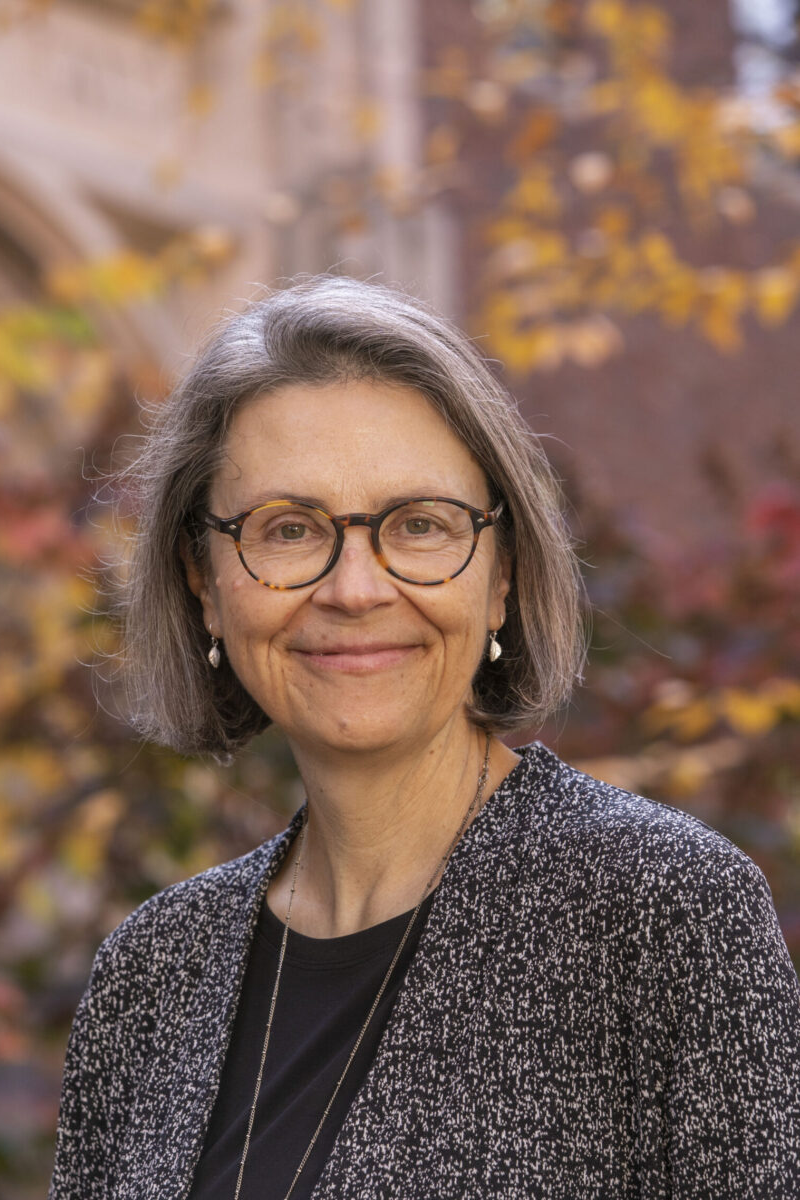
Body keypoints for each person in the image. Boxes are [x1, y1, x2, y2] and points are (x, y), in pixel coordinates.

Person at [48, 274, 800, 1200]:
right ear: (204, 583)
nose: (355, 589)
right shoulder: (150, 976)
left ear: (501, 575)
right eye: (289, 530)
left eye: (419, 526)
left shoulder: (662, 912)